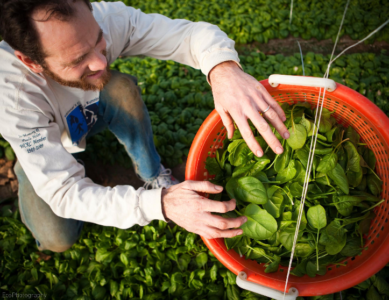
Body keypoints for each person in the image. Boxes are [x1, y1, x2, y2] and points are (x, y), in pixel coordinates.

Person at [0, 0, 289, 252]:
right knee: (57, 239)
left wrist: (222, 69)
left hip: (90, 111)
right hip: (47, 139)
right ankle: (26, 167)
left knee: (120, 88)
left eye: (98, 42)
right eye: (78, 60)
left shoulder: (101, 19)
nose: (101, 62)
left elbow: (189, 35)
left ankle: (153, 175)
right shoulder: (11, 98)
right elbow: (65, 194)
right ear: (30, 61)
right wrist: (159, 205)